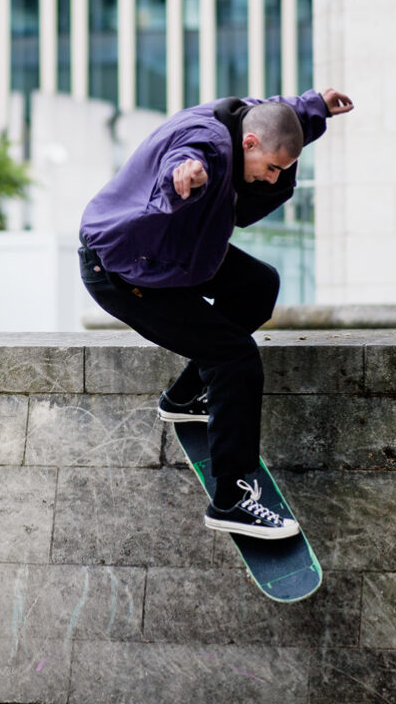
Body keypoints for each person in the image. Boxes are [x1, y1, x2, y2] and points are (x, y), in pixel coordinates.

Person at [78, 87, 353, 540]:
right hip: (125, 269)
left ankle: (186, 397)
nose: (270, 180)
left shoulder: (247, 119)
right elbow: (183, 160)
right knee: (235, 358)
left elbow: (279, 112)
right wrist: (185, 175)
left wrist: (315, 107)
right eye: (269, 169)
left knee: (258, 285)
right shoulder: (203, 145)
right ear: (248, 145)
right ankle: (233, 500)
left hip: (179, 254)